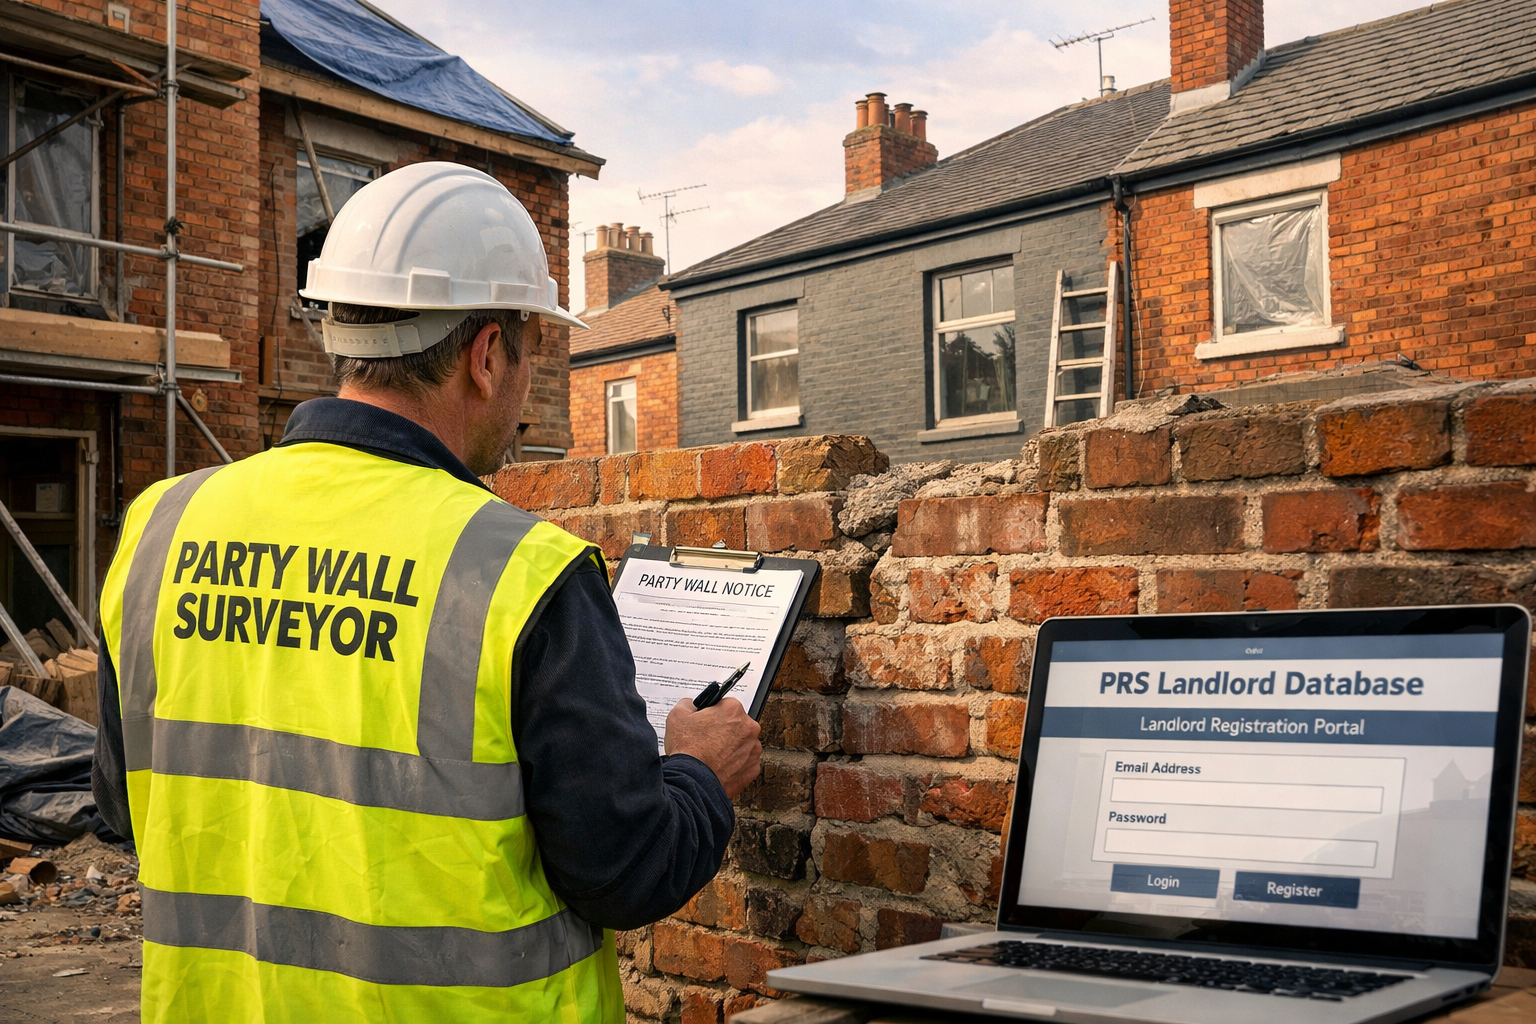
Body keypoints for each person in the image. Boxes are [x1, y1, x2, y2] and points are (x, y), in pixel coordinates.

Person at [91, 161, 762, 1023]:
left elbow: (124, 808)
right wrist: (700, 773)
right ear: (487, 354)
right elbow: (625, 868)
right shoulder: (520, 571)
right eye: (529, 350)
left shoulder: (161, 526)